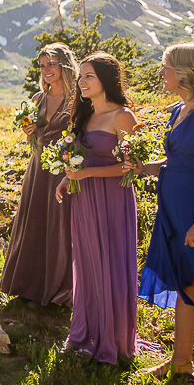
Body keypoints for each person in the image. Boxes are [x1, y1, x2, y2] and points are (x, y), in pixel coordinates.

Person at [137, 43, 194, 378]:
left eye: (166, 66)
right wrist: (143, 168)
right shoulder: (178, 109)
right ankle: (181, 362)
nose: (161, 72)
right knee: (188, 282)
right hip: (174, 211)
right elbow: (177, 163)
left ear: (187, 71)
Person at [55, 53, 139, 364]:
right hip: (85, 199)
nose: (81, 81)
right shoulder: (85, 117)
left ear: (106, 79)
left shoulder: (123, 116)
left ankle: (113, 337)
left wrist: (87, 173)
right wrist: (66, 179)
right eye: (80, 76)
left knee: (111, 261)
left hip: (113, 198)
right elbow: (79, 159)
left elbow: (133, 167)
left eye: (88, 76)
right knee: (88, 262)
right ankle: (86, 330)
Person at [0, 44, 78, 306]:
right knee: (34, 221)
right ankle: (29, 285)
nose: (46, 70)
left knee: (59, 224)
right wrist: (29, 131)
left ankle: (58, 289)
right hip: (38, 166)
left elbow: (81, 135)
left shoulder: (78, 98)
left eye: (51, 64)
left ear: (65, 65)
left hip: (64, 166)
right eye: (42, 66)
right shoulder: (37, 100)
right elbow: (33, 137)